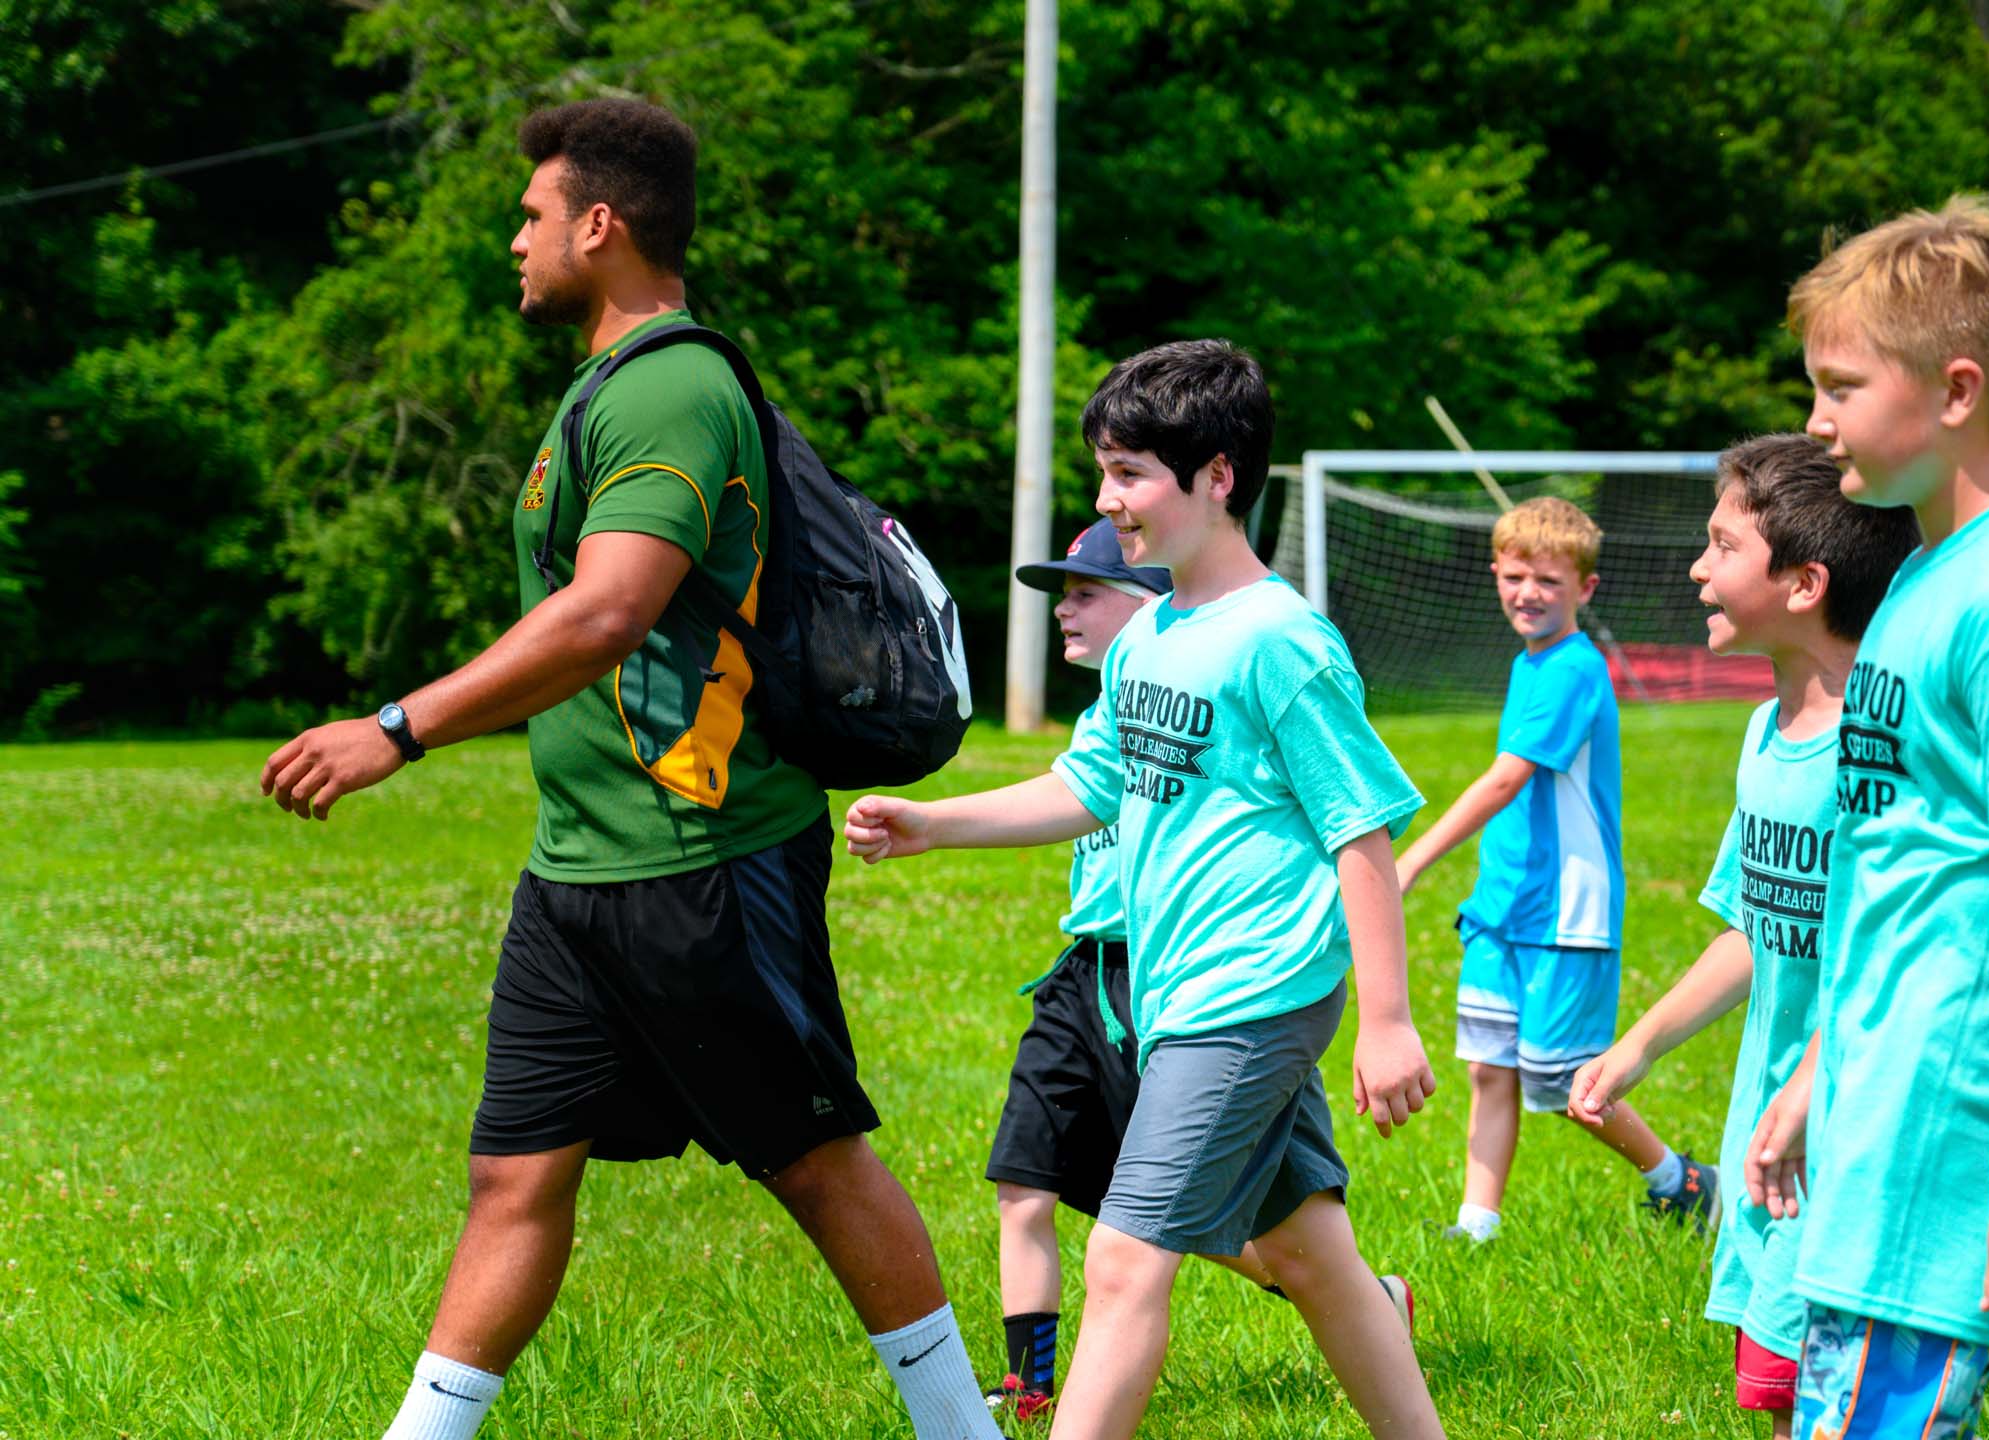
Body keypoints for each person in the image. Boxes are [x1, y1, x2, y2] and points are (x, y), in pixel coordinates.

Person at [257, 98, 999, 1440]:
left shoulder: (674, 383)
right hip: (580, 872)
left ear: (601, 225)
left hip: (701, 860)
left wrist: (399, 728)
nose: (516, 239)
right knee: (515, 1176)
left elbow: (609, 609)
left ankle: (964, 1431)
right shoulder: (609, 384)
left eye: (534, 215)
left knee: (815, 1162)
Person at [841, 340, 1444, 1440]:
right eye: (1106, 472)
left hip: (1254, 992)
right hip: (1177, 996)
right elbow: (1093, 784)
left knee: (1122, 1260)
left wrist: (1390, 1022)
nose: (1109, 501)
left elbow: (1360, 829)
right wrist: (934, 827)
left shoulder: (1282, 643)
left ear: (1217, 476)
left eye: (1132, 474)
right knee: (1312, 1255)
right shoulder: (1152, 636)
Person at [1741, 195, 1989, 1439]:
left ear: (1956, 391)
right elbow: (1895, 864)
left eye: (1841, 387)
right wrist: (1819, 1072)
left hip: (1952, 1127)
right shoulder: (1919, 576)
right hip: (1880, 1092)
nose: (1816, 420)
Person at [1568, 434, 1916, 1438]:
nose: (1696, 567)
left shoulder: (1878, 753)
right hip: (1768, 1133)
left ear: (1805, 584)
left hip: (1854, 1140)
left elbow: (1894, 965)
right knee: (1779, 1397)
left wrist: (1814, 1089)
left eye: (1722, 546)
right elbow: (1755, 933)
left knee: (1845, 1402)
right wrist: (1638, 1045)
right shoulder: (1767, 735)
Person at [1393, 495, 1713, 1241]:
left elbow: (1507, 780)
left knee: (1564, 1082)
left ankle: (1681, 1181)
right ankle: (1478, 1224)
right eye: (1512, 576)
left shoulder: (1574, 668)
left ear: (1586, 590)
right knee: (1487, 1066)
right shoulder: (1527, 662)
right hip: (1501, 905)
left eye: (1547, 580)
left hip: (1567, 911)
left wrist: (1410, 859)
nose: (1527, 594)